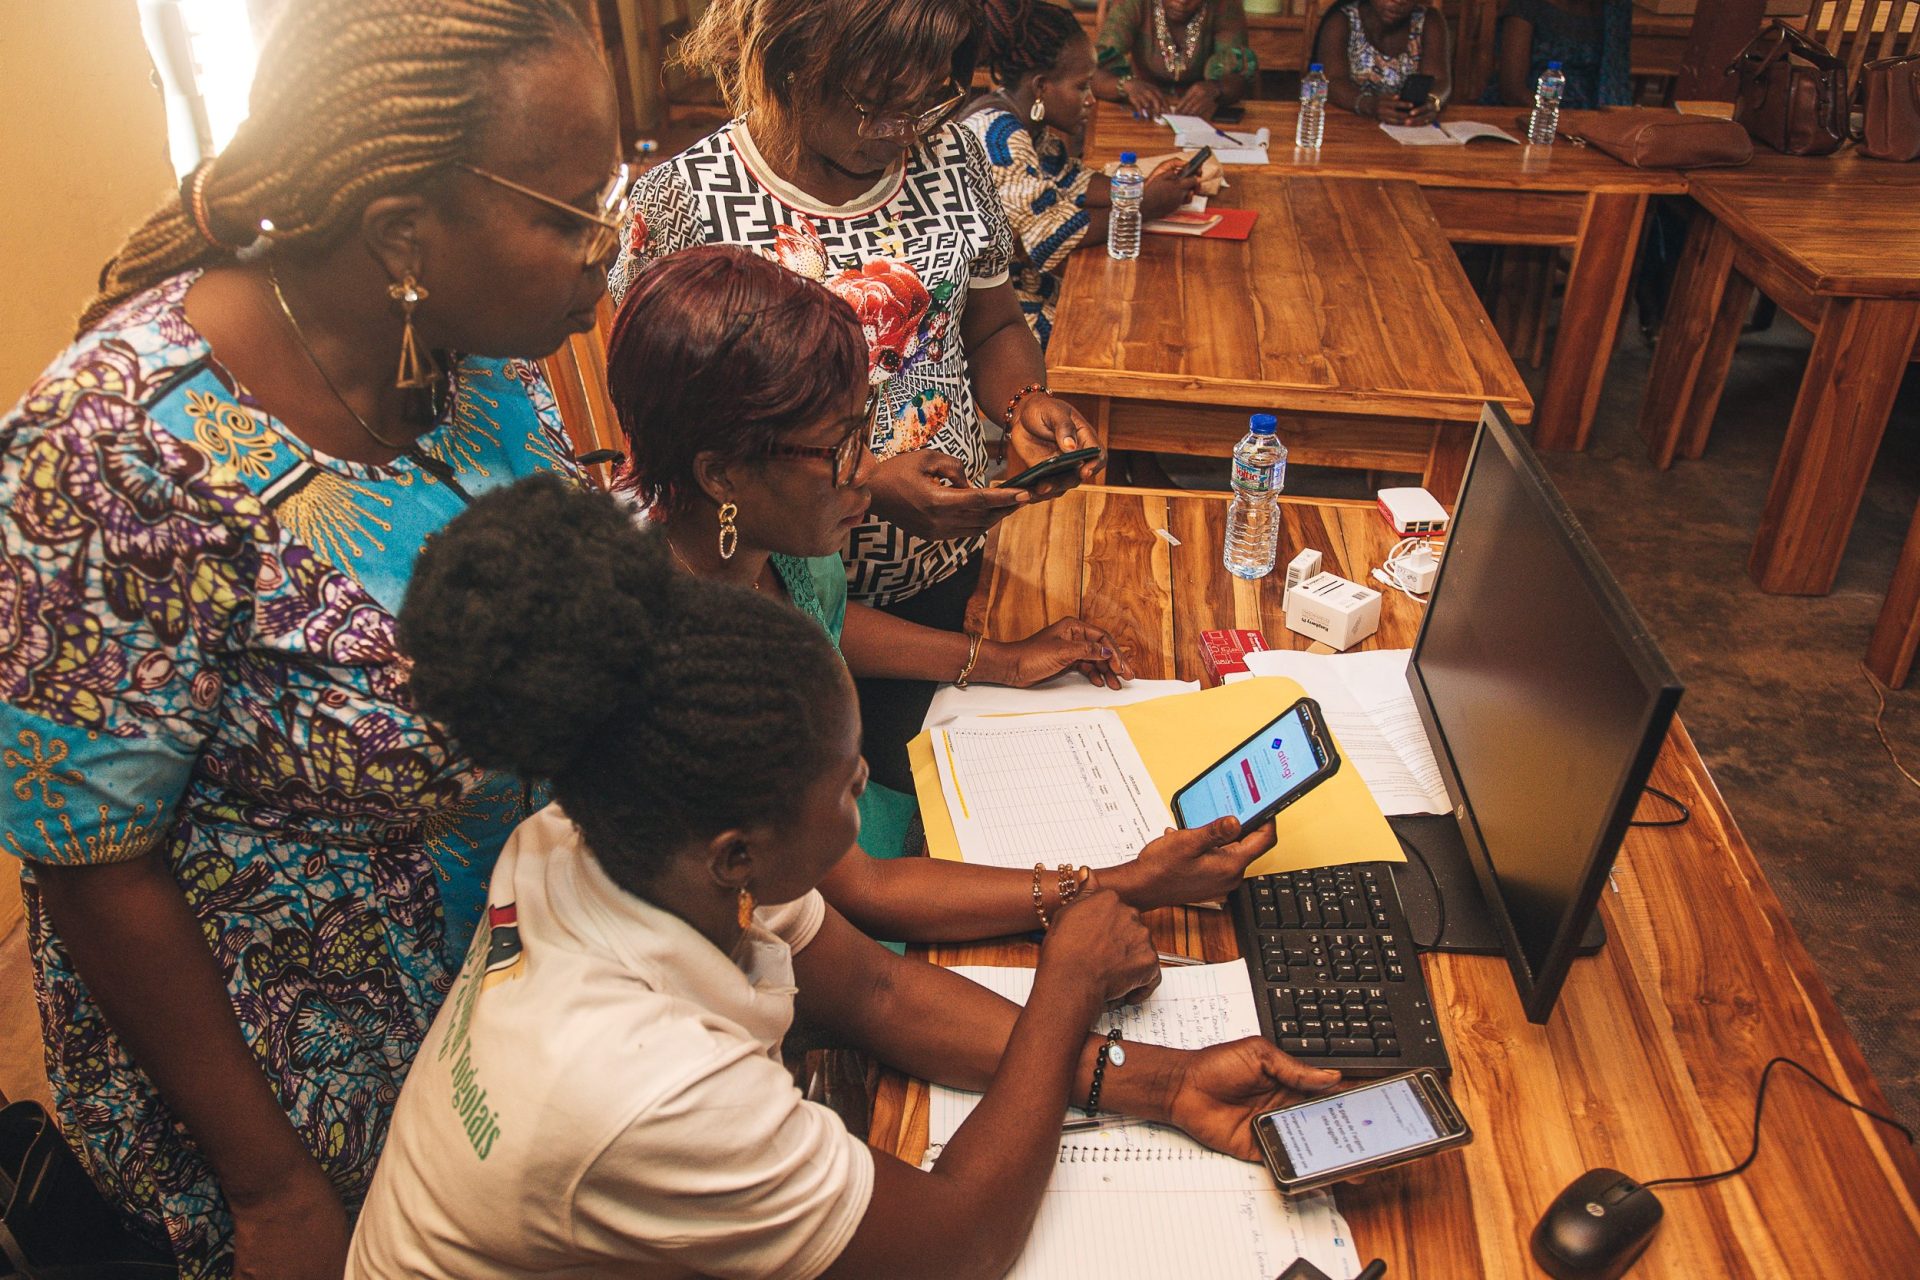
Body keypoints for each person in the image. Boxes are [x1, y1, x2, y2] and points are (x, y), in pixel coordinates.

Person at [345, 475, 1338, 1279]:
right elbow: (959, 1245)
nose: (865, 785)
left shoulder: (603, 838)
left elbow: (878, 988)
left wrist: (1162, 1084)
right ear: (741, 848)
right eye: (848, 780)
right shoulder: (648, 1086)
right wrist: (1068, 983)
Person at [0, 1, 622, 1273]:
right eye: (566, 216)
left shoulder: (467, 361)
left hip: (496, 1032)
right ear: (403, 231)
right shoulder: (116, 449)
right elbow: (92, 856)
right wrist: (273, 1185)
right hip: (290, 1112)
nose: (602, 253)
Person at [606, 244, 1279, 936]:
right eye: (839, 447)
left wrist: (1002, 660)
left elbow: (817, 623)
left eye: (862, 433)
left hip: (860, 818)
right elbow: (863, 900)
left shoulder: (747, 529)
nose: (865, 471)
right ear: (721, 473)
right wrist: (1123, 884)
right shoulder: (680, 669)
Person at [612, 0, 1103, 797]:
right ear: (788, 62)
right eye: (876, 104)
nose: (900, 132)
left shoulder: (950, 156)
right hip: (768, 587)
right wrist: (868, 482)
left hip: (938, 567)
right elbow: (669, 441)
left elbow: (992, 322)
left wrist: (1023, 404)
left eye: (925, 100)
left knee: (935, 792)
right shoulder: (684, 201)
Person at [962, 0, 1204, 349]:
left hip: (1020, 290)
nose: (1091, 99)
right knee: (1117, 333)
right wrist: (1144, 206)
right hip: (992, 319)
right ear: (1042, 87)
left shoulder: (1022, 120)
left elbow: (1071, 180)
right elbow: (1050, 238)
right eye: (1081, 87)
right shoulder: (997, 137)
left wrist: (1136, 188)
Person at [1093, 0, 1257, 120]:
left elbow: (1238, 77)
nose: (1182, 1)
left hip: (1203, 118)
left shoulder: (1224, 5)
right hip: (1143, 113)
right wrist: (1126, 85)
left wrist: (1216, 89)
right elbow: (1094, 71)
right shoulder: (1132, 3)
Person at [1317, 0, 1453, 124]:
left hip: (1409, 130)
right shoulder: (1341, 21)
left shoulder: (1429, 21)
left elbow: (1440, 81)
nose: (1399, 1)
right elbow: (1331, 83)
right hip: (1349, 126)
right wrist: (1370, 104)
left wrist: (1431, 102)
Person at [1494, 0, 1632, 110]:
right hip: (1534, 113)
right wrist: (1556, 118)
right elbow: (1512, 91)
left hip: (1593, 118)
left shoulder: (1613, 11)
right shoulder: (1527, 6)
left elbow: (1616, 85)